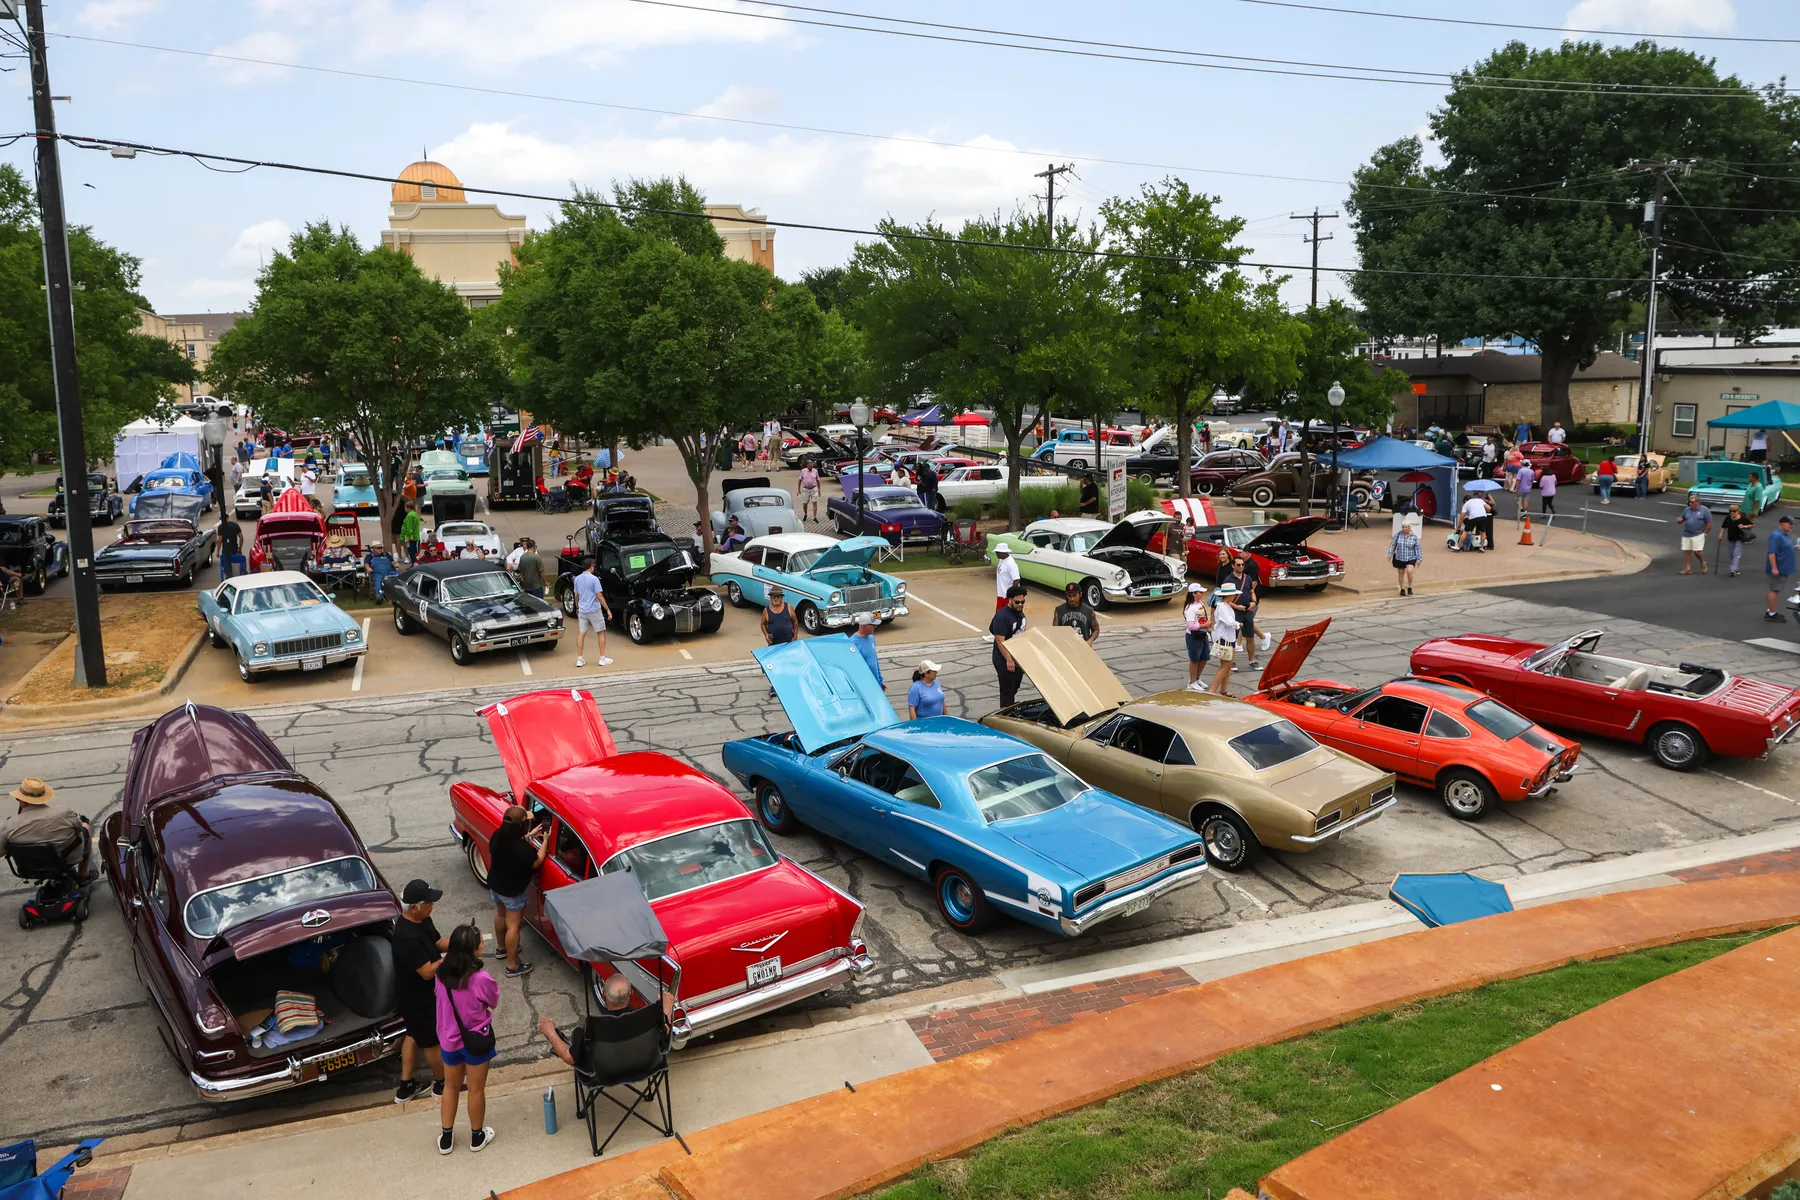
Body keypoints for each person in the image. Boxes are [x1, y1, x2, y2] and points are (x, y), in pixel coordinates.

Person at [435, 924, 499, 1155]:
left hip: (448, 1039)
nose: (483, 944)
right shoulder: (481, 978)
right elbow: (493, 1001)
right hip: (476, 1041)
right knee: (475, 1089)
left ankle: (446, 1138)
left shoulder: (441, 974)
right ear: (472, 950)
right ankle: (476, 1136)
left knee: (450, 1087)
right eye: (480, 942)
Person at [392, 879, 449, 1104]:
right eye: (428, 903)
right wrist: (451, 959)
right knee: (431, 1042)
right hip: (417, 997)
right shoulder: (406, 936)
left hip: (422, 994)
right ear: (413, 907)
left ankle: (405, 1087)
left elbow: (437, 942)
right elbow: (426, 972)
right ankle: (442, 1083)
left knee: (413, 1036)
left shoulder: (423, 920)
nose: (432, 906)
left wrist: (460, 942)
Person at [485, 805, 549, 979]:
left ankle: (501, 949)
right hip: (512, 891)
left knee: (500, 916)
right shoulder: (522, 849)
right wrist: (544, 841)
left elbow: (513, 845)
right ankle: (513, 966)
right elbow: (537, 862)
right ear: (521, 825)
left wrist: (528, 836)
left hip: (496, 884)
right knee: (513, 926)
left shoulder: (498, 836)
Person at [0, 778, 91, 880]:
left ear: (23, 801)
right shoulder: (64, 813)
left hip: (29, 867)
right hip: (66, 860)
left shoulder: (9, 825)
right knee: (85, 826)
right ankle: (83, 874)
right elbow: (78, 829)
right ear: (44, 797)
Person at [991, 585, 1028, 708]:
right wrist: (1008, 659)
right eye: (1017, 602)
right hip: (1004, 659)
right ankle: (1005, 714)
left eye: (1022, 602)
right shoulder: (1002, 616)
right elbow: (999, 640)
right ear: (1010, 600)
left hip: (1017, 657)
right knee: (1007, 691)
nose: (1020, 605)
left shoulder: (1019, 612)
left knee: (1014, 687)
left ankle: (1010, 707)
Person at [572, 557, 614, 668]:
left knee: (581, 633)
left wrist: (577, 607)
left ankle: (580, 659)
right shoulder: (594, 579)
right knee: (601, 632)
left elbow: (576, 595)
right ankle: (602, 657)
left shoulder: (577, 579)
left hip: (582, 610)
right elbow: (599, 595)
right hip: (594, 610)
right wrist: (608, 609)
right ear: (591, 567)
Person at [1209, 582, 1241, 696]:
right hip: (1224, 639)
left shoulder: (1226, 606)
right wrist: (1238, 624)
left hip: (1229, 638)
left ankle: (1224, 690)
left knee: (1228, 666)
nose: (1235, 596)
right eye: (1233, 594)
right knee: (1225, 666)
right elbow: (1229, 622)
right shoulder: (1222, 607)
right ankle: (1212, 691)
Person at [1183, 582, 1212, 692]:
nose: (1202, 593)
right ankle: (1192, 682)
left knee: (1204, 658)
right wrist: (1205, 625)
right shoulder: (1190, 608)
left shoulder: (1200, 604)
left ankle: (1197, 678)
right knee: (1195, 659)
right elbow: (1191, 626)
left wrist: (1207, 626)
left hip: (1203, 634)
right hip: (1194, 636)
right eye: (1200, 592)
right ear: (1194, 593)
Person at [1768, 515, 1796, 622]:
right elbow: (1772, 553)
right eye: (1790, 524)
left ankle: (1771, 610)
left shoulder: (1784, 535)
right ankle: (1771, 613)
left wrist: (1794, 548)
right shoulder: (1775, 536)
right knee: (1774, 590)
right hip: (1778, 568)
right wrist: (1774, 568)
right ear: (1783, 523)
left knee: (1776, 590)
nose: (1792, 526)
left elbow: (1782, 549)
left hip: (1783, 568)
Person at [1052, 581, 1100, 645]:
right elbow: (1055, 631)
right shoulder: (1059, 610)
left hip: (1083, 647)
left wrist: (1090, 641)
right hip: (1066, 648)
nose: (1072, 598)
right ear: (1066, 595)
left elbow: (1096, 630)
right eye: (1069, 596)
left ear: (1080, 594)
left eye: (1074, 596)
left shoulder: (1089, 611)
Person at [1676, 493, 1713, 575]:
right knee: (1687, 551)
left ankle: (1702, 562)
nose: (1690, 504)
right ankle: (1688, 568)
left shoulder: (1704, 510)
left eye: (1692, 502)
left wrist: (1705, 533)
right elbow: (1682, 519)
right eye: (1689, 502)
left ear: (1698, 502)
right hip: (1687, 533)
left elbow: (1709, 523)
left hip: (1698, 533)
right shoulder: (1687, 510)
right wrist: (1679, 520)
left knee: (1696, 551)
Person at [1390, 514, 1423, 595]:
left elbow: (1418, 548)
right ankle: (1402, 588)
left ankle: (1410, 586)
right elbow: (1393, 545)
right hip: (1400, 557)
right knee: (1401, 573)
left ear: (1409, 528)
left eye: (1406, 527)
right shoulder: (1398, 535)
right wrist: (1390, 554)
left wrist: (1419, 559)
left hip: (1410, 557)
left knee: (1409, 571)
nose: (1404, 529)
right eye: (1403, 527)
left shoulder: (1414, 537)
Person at [1721, 502, 1756, 577]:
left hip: (1739, 538)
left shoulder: (1743, 518)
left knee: (1736, 553)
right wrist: (1721, 535)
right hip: (1730, 538)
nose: (1732, 513)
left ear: (1738, 511)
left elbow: (1752, 525)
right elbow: (1724, 527)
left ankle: (1733, 569)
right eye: (1731, 511)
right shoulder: (1728, 518)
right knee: (1731, 554)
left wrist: (1744, 526)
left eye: (1734, 511)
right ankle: (1736, 569)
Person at [848, 614, 882, 687]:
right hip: (865, 686)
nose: (875, 626)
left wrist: (880, 680)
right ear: (865, 625)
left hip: (876, 684)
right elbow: (853, 669)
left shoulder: (871, 638)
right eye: (873, 625)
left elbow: (875, 660)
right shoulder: (852, 643)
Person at [992, 543, 1020, 613]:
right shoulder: (1002, 560)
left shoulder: (1011, 564)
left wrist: (1012, 595)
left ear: (1003, 552)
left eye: (997, 552)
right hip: (1001, 594)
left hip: (1007, 596)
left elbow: (1016, 579)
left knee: (1009, 615)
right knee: (998, 615)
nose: (996, 553)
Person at [217, 514, 242, 580]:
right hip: (234, 549)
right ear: (228, 517)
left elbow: (219, 540)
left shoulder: (221, 527)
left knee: (226, 565)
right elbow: (241, 538)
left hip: (225, 550)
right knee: (234, 564)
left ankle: (228, 577)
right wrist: (240, 548)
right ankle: (234, 577)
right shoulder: (235, 525)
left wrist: (217, 551)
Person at [399, 501, 421, 565]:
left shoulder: (409, 515)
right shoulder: (415, 514)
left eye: (405, 507)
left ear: (408, 508)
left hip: (411, 537)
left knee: (411, 552)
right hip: (415, 536)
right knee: (414, 552)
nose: (404, 509)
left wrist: (408, 537)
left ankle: (413, 564)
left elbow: (409, 528)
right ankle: (414, 564)